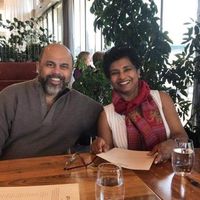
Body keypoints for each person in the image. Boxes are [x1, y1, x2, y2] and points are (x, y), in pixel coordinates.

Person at [0, 43, 103, 160]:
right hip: (8, 174)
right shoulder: (10, 97)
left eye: (64, 66)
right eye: (50, 64)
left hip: (55, 174)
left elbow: (109, 127)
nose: (56, 72)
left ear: (71, 71)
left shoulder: (84, 106)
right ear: (38, 67)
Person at [91, 46, 188, 164]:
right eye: (115, 73)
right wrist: (99, 147)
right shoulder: (106, 115)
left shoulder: (162, 99)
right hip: (128, 179)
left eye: (127, 69)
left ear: (138, 72)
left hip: (168, 176)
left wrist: (173, 144)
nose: (122, 76)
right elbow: (106, 156)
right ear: (110, 80)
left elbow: (182, 136)